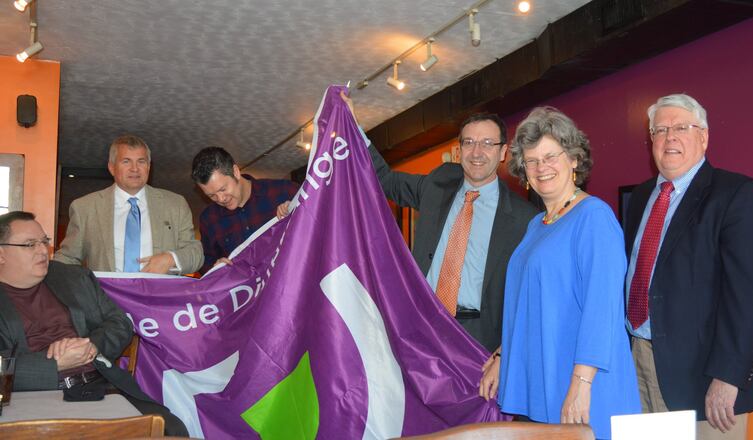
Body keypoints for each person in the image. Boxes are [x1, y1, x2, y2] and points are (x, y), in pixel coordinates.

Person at [481, 107, 640, 439]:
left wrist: (581, 384)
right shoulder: (536, 225)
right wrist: (504, 354)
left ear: (574, 160)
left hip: (583, 382)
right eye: (532, 161)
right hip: (543, 378)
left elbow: (602, 310)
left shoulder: (594, 218)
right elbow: (530, 304)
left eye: (551, 156)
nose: (542, 168)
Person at [335, 94, 538, 353]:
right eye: (469, 142)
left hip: (477, 340)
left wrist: (503, 352)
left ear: (502, 152)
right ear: (459, 149)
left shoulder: (524, 218)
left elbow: (528, 298)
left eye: (487, 143)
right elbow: (385, 180)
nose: (477, 152)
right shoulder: (438, 183)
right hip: (419, 324)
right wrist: (353, 127)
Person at [624, 94, 753, 439]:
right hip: (638, 362)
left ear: (704, 136)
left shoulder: (737, 194)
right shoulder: (642, 199)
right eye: (659, 130)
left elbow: (748, 295)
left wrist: (728, 376)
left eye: (681, 127)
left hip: (706, 381)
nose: (669, 137)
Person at [0, 211, 188, 436]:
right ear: (1, 253)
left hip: (100, 387)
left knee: (172, 429)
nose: (43, 251)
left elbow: (120, 323)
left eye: (44, 241)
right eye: (30, 244)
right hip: (30, 396)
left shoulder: (72, 277)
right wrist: (56, 364)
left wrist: (91, 345)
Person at [54, 135, 203, 275]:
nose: (134, 168)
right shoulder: (85, 208)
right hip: (105, 299)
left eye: (141, 161)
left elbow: (195, 253)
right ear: (112, 167)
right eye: (126, 161)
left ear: (149, 167)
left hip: (160, 299)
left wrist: (171, 259)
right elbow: (67, 258)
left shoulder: (175, 205)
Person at [191, 146, 298, 274]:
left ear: (235, 172)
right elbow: (205, 262)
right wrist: (215, 268)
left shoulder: (283, 191)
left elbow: (319, 222)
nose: (221, 199)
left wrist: (297, 209)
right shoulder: (209, 219)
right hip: (249, 293)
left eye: (222, 189)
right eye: (211, 195)